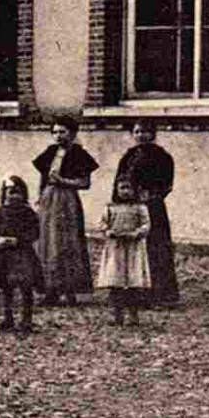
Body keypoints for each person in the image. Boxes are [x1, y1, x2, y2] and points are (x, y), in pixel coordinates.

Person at [33, 115, 98, 306]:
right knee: (47, 242)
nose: (58, 136)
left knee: (67, 243)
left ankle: (70, 290)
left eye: (63, 131)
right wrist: (40, 196)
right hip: (48, 199)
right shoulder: (50, 152)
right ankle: (50, 290)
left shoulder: (79, 154)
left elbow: (84, 183)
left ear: (73, 133)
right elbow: (43, 178)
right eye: (55, 132)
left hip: (67, 200)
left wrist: (63, 181)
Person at [114, 123, 179, 307]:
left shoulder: (162, 157)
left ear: (153, 134)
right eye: (137, 132)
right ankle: (136, 294)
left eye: (145, 131)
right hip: (130, 207)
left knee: (156, 248)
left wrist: (152, 194)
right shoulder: (128, 156)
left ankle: (161, 295)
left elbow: (167, 183)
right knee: (134, 249)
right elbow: (118, 182)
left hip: (153, 208)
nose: (141, 135)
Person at [0, 176, 43, 333]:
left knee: (26, 286)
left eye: (18, 193)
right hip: (3, 255)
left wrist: (18, 240)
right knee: (5, 287)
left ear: (24, 195)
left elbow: (34, 232)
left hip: (22, 254)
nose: (14, 197)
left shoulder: (28, 213)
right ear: (4, 195)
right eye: (10, 192)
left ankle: (26, 319)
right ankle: (8, 318)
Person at [96, 177, 153, 326]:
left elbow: (146, 225)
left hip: (133, 249)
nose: (125, 192)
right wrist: (109, 232)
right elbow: (102, 224)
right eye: (122, 188)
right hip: (116, 249)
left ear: (135, 190)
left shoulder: (140, 208)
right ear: (116, 189)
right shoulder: (110, 207)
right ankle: (116, 314)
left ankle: (133, 315)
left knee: (132, 283)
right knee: (116, 282)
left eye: (129, 188)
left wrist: (136, 233)